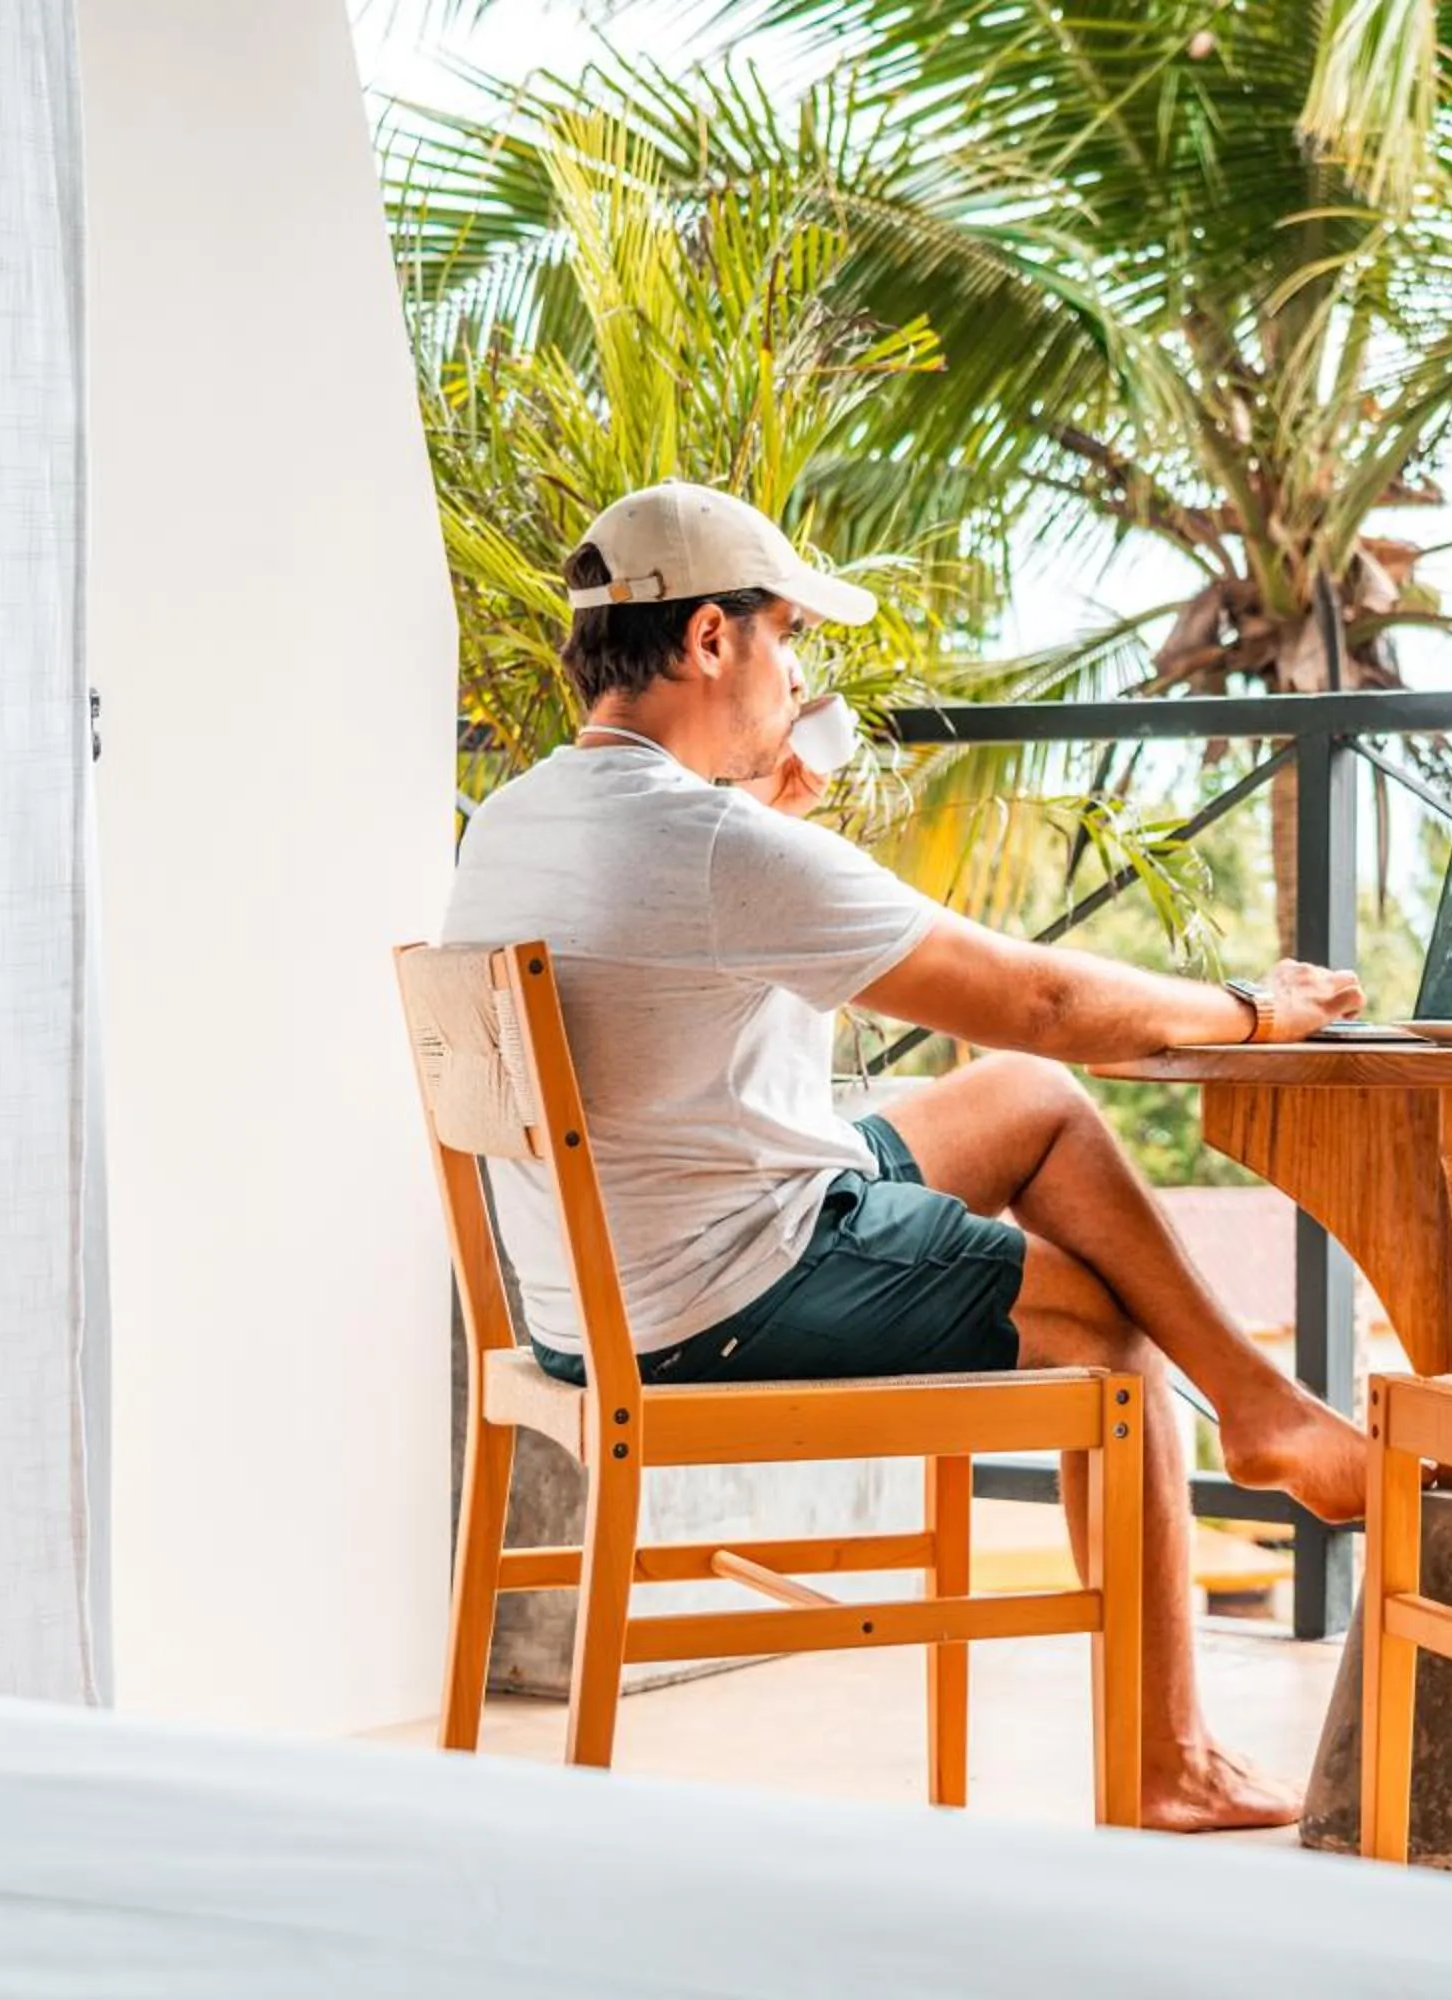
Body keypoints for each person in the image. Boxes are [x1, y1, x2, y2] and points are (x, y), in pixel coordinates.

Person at [442, 482, 1374, 1831]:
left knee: (1029, 1103)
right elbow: (1042, 993)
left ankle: (1259, 1407)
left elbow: (706, 973)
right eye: (789, 639)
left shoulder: (517, 815)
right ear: (711, 641)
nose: (799, 673)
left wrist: (772, 819)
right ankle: (1170, 1757)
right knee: (1107, 1333)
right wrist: (1252, 1009)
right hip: (717, 1298)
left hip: (601, 1289)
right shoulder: (711, 841)